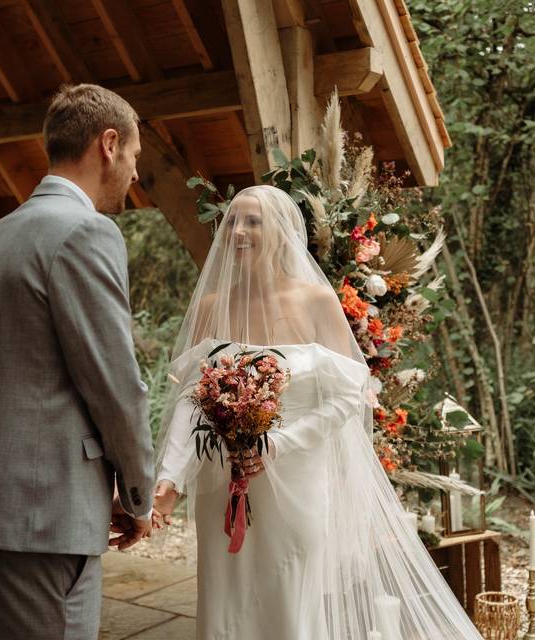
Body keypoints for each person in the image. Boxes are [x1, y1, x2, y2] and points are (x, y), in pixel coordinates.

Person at [153, 185, 483, 639]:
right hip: (221, 486)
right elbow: (193, 401)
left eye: (253, 221)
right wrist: (168, 479)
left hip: (295, 483)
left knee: (289, 602)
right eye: (232, 221)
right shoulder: (212, 306)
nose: (240, 231)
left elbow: (349, 394)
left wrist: (275, 445)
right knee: (224, 604)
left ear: (282, 232)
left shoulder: (314, 301)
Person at [0, 83, 156, 640]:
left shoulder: (4, 233)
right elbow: (116, 386)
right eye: (135, 156)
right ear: (108, 144)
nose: (135, 174)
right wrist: (139, 495)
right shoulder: (87, 231)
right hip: (48, 514)